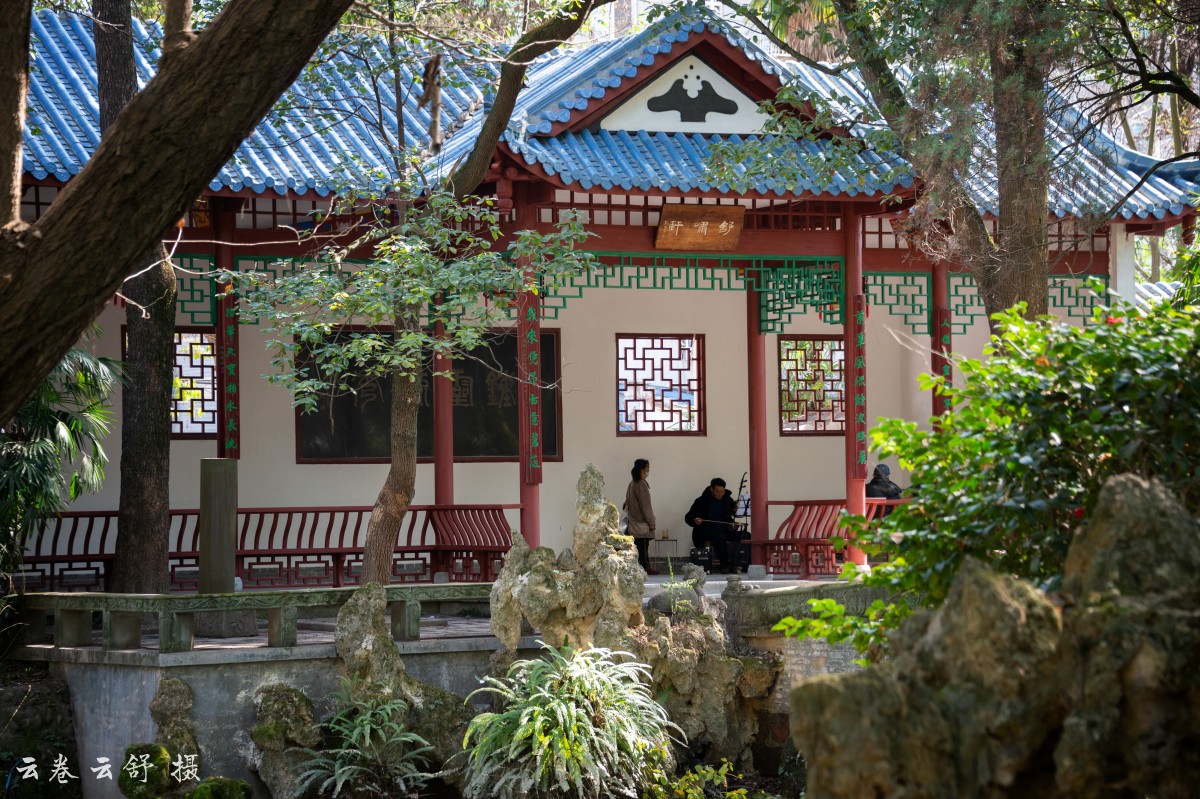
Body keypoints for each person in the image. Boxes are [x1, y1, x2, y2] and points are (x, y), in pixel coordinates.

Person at [685, 477, 739, 573]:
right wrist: (695, 520)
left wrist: (736, 511)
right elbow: (688, 517)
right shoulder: (702, 501)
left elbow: (733, 513)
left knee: (746, 535)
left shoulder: (727, 499)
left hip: (725, 530)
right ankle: (725, 565)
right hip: (706, 531)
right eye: (717, 491)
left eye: (722, 491)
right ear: (711, 489)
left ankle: (738, 564)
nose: (720, 494)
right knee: (719, 536)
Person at [624, 458, 657, 574]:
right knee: (643, 548)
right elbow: (645, 505)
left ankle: (640, 568)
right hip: (641, 524)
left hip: (633, 523)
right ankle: (645, 568)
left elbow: (627, 502)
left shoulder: (632, 483)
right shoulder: (641, 484)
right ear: (642, 469)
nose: (649, 470)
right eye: (647, 468)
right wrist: (651, 522)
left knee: (637, 548)